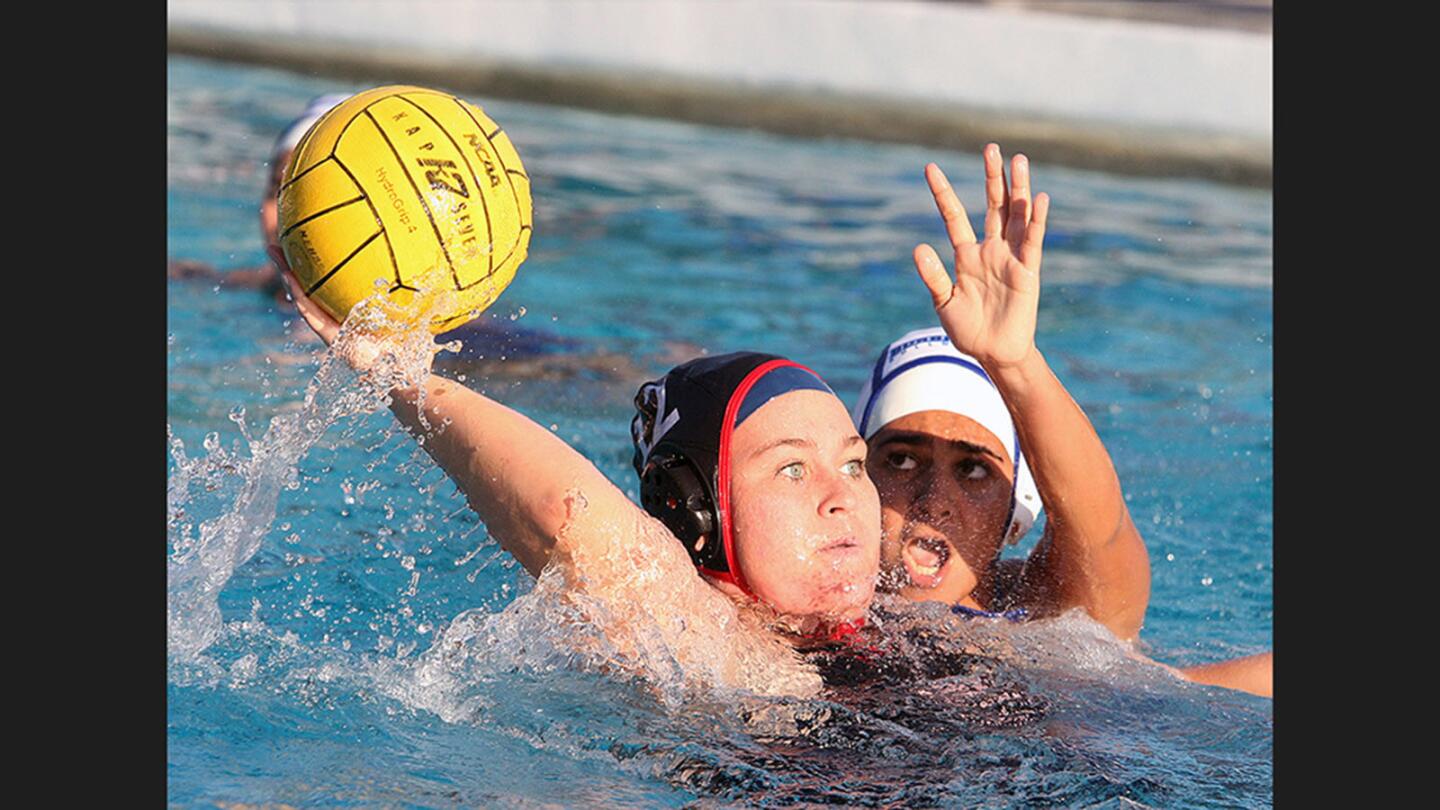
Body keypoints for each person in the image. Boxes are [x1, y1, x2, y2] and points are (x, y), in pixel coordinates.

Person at [859, 146, 1270, 696]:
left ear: (1014, 519)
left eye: (975, 470)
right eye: (902, 459)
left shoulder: (1043, 615)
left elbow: (1100, 533)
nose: (935, 498)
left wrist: (1015, 364)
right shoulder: (802, 597)